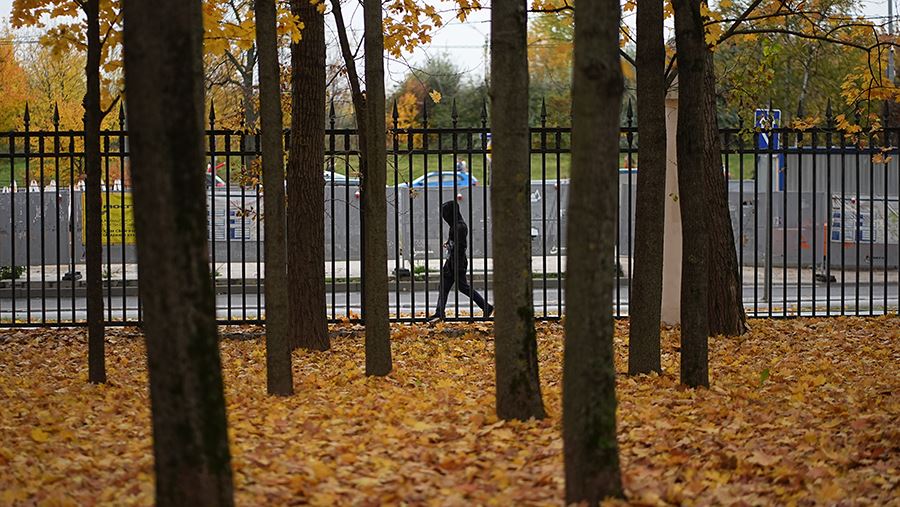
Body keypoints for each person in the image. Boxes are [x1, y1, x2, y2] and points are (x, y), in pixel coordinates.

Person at [430, 201, 493, 322]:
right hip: (452, 262)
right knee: (444, 286)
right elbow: (455, 244)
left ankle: (486, 307)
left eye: (446, 213)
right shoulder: (455, 226)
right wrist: (449, 244)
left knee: (463, 287)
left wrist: (455, 265)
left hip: (457, 262)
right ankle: (439, 313)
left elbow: (460, 247)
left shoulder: (459, 227)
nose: (444, 216)